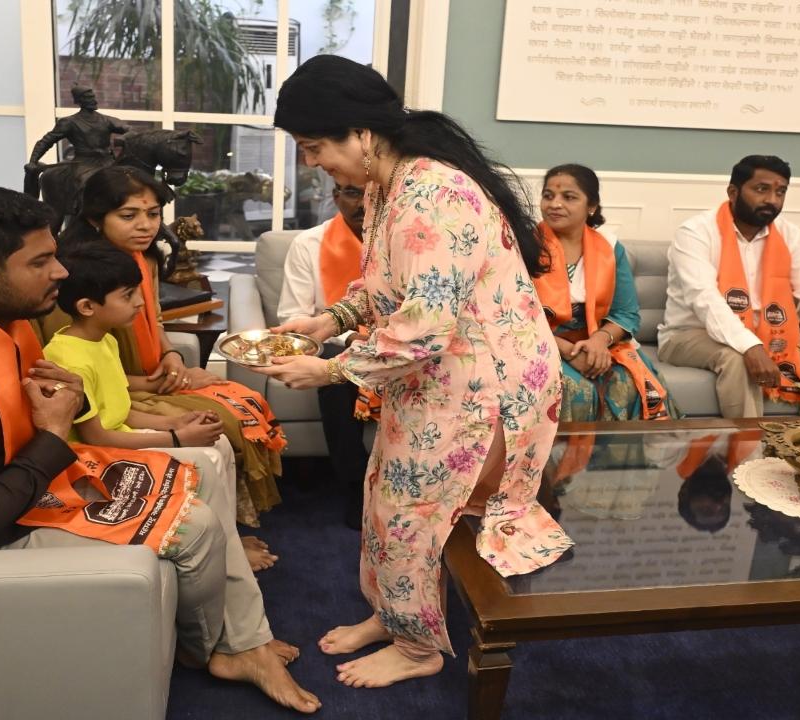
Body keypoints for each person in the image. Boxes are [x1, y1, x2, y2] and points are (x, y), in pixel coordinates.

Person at [0, 186, 320, 714]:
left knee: (199, 470)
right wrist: (50, 439)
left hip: (5, 491)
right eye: (41, 262)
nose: (61, 273)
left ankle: (241, 641)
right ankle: (214, 652)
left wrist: (70, 410)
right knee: (194, 526)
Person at [257, 54, 573, 688]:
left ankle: (418, 646)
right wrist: (331, 320)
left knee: (409, 511)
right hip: (437, 375)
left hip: (488, 386)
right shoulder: (387, 186)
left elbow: (425, 326)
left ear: (361, 134)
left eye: (314, 146)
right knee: (384, 497)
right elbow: (387, 284)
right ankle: (391, 614)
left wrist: (330, 370)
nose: (311, 161)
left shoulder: (434, 193)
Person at [57, 166, 286, 543]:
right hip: (125, 394)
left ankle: (227, 529)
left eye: (152, 214)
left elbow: (156, 320)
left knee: (244, 399)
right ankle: (218, 537)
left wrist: (174, 360)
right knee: (224, 422)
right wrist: (150, 385)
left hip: (151, 380)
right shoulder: (77, 276)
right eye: (128, 215)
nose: (145, 226)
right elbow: (83, 369)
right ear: (96, 219)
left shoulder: (143, 260)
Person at [657, 155, 800, 419]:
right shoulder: (696, 232)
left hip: (770, 331)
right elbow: (705, 298)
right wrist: (751, 347)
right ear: (733, 192)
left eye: (780, 192)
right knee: (736, 358)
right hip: (690, 334)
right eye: (761, 189)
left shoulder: (790, 236)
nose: (772, 200)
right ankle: (747, 455)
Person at [42, 241, 227, 448]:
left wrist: (175, 423)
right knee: (208, 454)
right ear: (86, 306)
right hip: (97, 452)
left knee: (219, 444)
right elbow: (96, 437)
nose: (140, 302)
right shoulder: (69, 362)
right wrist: (177, 439)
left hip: (119, 435)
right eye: (128, 295)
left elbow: (118, 411)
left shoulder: (105, 339)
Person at [532, 163, 676, 424]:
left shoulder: (609, 247)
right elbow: (514, 316)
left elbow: (626, 313)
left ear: (591, 207)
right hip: (539, 342)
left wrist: (599, 340)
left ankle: (620, 466)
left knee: (629, 384)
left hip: (598, 341)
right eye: (548, 195)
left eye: (569, 197)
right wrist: (566, 350)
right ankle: (562, 466)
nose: (554, 204)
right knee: (576, 390)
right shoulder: (525, 245)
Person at [277, 181, 372, 530]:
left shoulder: (406, 243)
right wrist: (349, 338)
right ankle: (356, 487)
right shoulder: (308, 244)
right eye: (351, 193)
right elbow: (292, 316)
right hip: (337, 339)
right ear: (335, 197)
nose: (362, 202)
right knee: (331, 369)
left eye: (370, 192)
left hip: (400, 340)